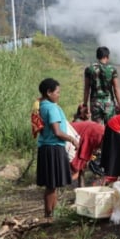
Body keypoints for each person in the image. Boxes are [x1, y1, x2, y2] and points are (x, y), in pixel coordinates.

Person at [36, 78, 80, 220]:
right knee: (52, 185)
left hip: (45, 147)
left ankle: (51, 214)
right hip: (53, 148)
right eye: (57, 92)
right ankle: (49, 216)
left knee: (52, 185)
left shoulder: (41, 105)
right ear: (49, 92)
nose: (58, 95)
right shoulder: (51, 108)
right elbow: (57, 132)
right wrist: (72, 139)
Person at [83, 46, 120, 124]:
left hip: (95, 103)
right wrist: (119, 103)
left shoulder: (89, 69)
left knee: (98, 129)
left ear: (97, 56)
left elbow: (87, 89)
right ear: (107, 56)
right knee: (110, 127)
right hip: (109, 103)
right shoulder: (112, 69)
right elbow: (116, 88)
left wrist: (85, 104)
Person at [70, 120, 105, 187]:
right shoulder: (97, 134)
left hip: (82, 135)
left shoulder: (100, 133)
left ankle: (81, 186)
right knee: (78, 166)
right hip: (73, 136)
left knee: (83, 164)